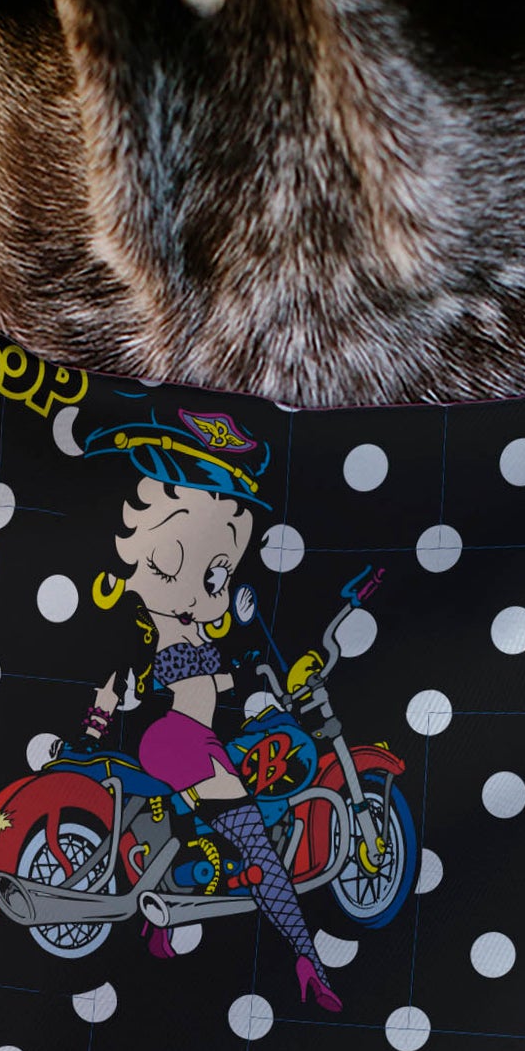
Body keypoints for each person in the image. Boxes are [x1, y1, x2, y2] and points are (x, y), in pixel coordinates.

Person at [79, 410, 340, 1011]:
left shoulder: (192, 638)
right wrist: (241, 674)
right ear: (162, 565)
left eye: (222, 571)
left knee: (205, 823)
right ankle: (305, 957)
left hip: (187, 740)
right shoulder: (176, 644)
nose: (218, 587)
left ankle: (160, 922)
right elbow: (171, 680)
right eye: (212, 570)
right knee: (258, 846)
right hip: (178, 742)